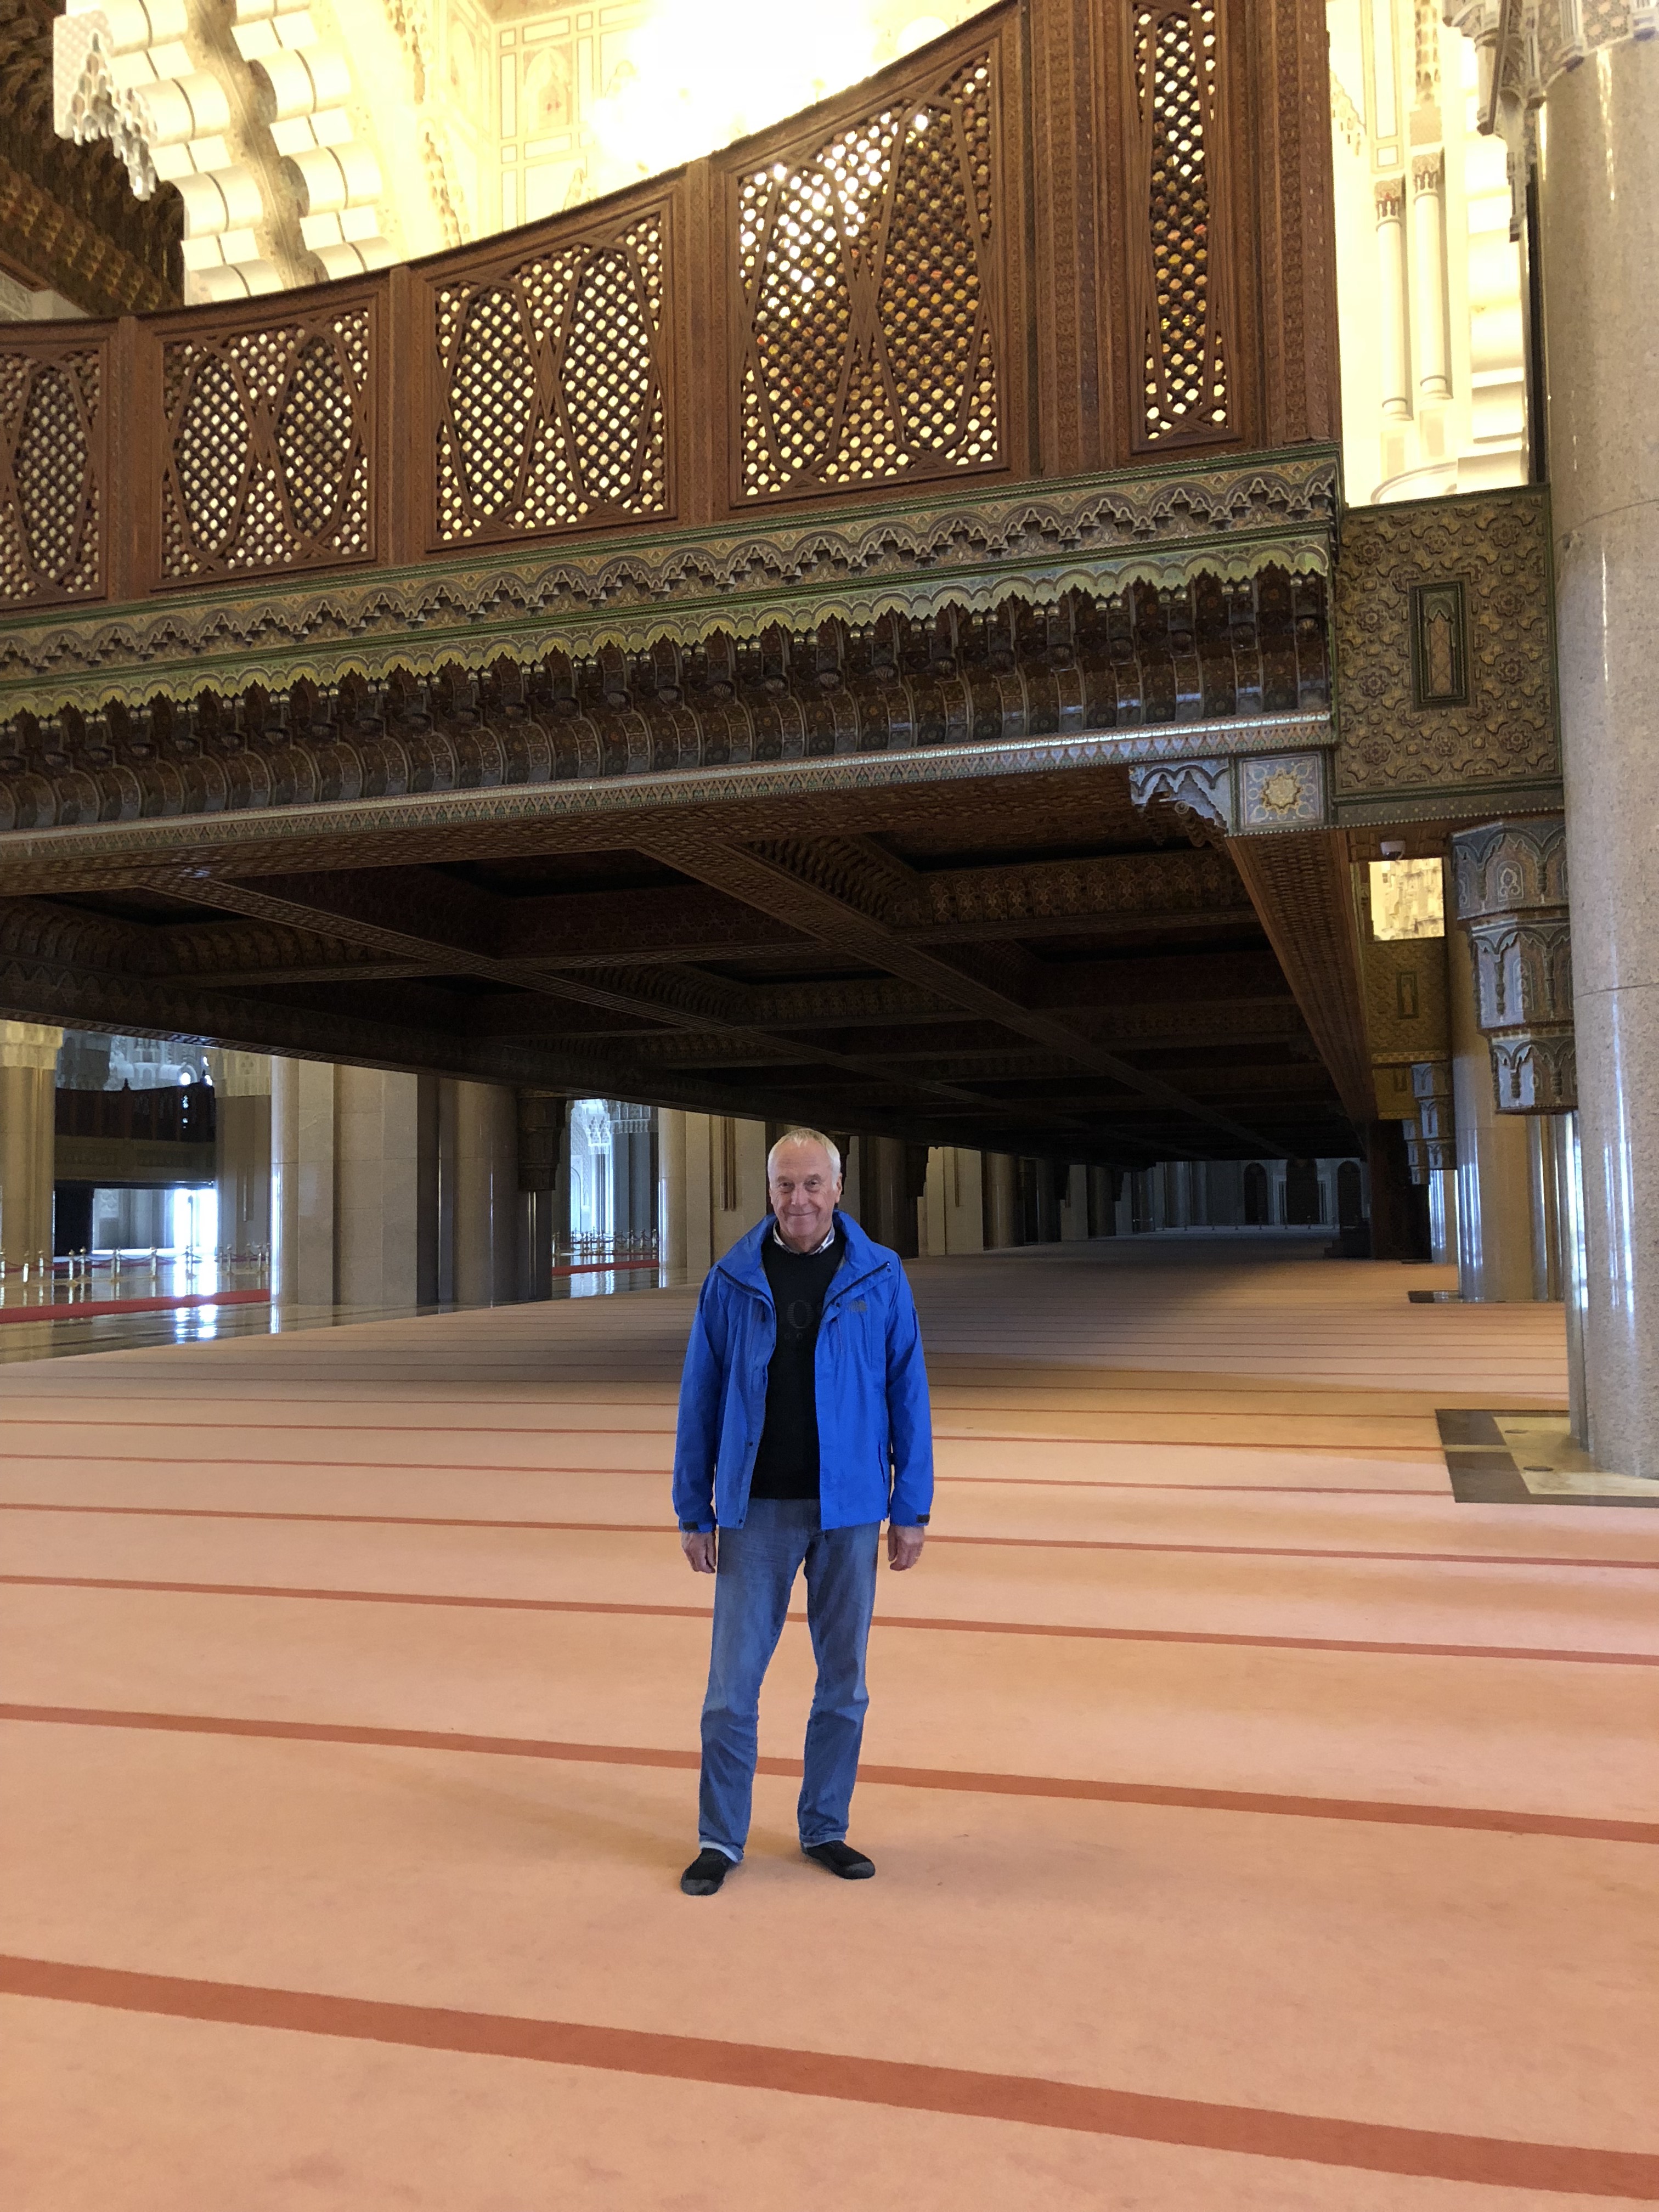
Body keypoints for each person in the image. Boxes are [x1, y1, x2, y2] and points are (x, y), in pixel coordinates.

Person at [672, 1127, 933, 1895]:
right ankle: (720, 1838)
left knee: (843, 1684)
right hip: (755, 1509)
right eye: (786, 1185)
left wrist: (911, 1506)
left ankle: (825, 1826)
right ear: (770, 1191)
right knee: (730, 1692)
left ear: (838, 1188)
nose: (800, 1199)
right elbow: (700, 1397)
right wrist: (694, 1509)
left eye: (813, 1183)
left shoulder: (880, 1276)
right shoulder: (731, 1280)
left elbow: (908, 1391)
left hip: (850, 1510)